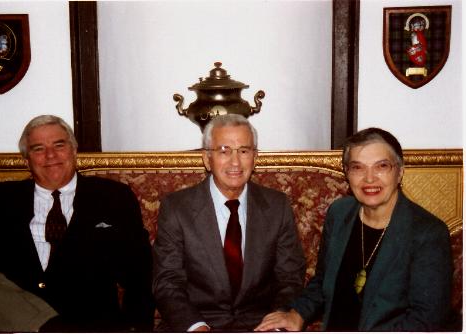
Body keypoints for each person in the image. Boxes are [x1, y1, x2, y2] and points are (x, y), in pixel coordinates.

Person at [0, 115, 154, 332]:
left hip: (90, 323)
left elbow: (140, 273)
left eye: (59, 145)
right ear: (26, 160)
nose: (50, 155)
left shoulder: (112, 197)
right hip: (15, 321)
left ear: (74, 151)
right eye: (38, 149)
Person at [255, 127, 453, 331]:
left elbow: (426, 320)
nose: (369, 179)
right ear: (347, 174)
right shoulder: (339, 214)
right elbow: (322, 283)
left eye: (381, 166)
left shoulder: (427, 233)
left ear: (400, 172)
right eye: (358, 168)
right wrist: (297, 314)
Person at [153, 114, 306, 332]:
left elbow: (290, 278)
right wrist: (195, 326)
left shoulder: (277, 206)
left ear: (255, 157)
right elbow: (167, 282)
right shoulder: (177, 208)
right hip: (197, 322)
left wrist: (278, 319)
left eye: (244, 151)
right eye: (224, 151)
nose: (235, 162)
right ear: (207, 159)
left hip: (259, 325)